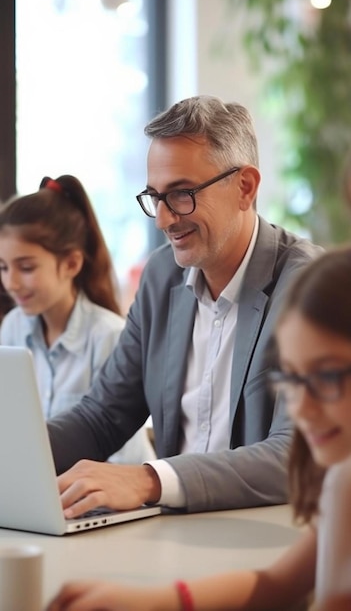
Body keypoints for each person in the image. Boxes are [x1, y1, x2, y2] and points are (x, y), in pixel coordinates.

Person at [47, 95, 323, 519]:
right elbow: (102, 417)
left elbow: (295, 454)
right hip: (176, 532)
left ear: (245, 187)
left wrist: (149, 479)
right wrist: (17, 451)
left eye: (181, 194)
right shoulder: (161, 278)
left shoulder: (308, 285)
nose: (163, 219)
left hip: (266, 537)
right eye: (155, 197)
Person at [46, 246, 351, 610]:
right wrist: (148, 601)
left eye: (328, 376)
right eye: (292, 378)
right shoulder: (342, 486)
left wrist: (148, 479)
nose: (302, 406)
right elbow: (279, 584)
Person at [0, 174, 154, 463]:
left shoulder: (108, 336)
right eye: (3, 267)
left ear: (71, 263)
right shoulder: (13, 327)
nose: (11, 283)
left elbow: (122, 459)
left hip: (105, 499)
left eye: (26, 267)